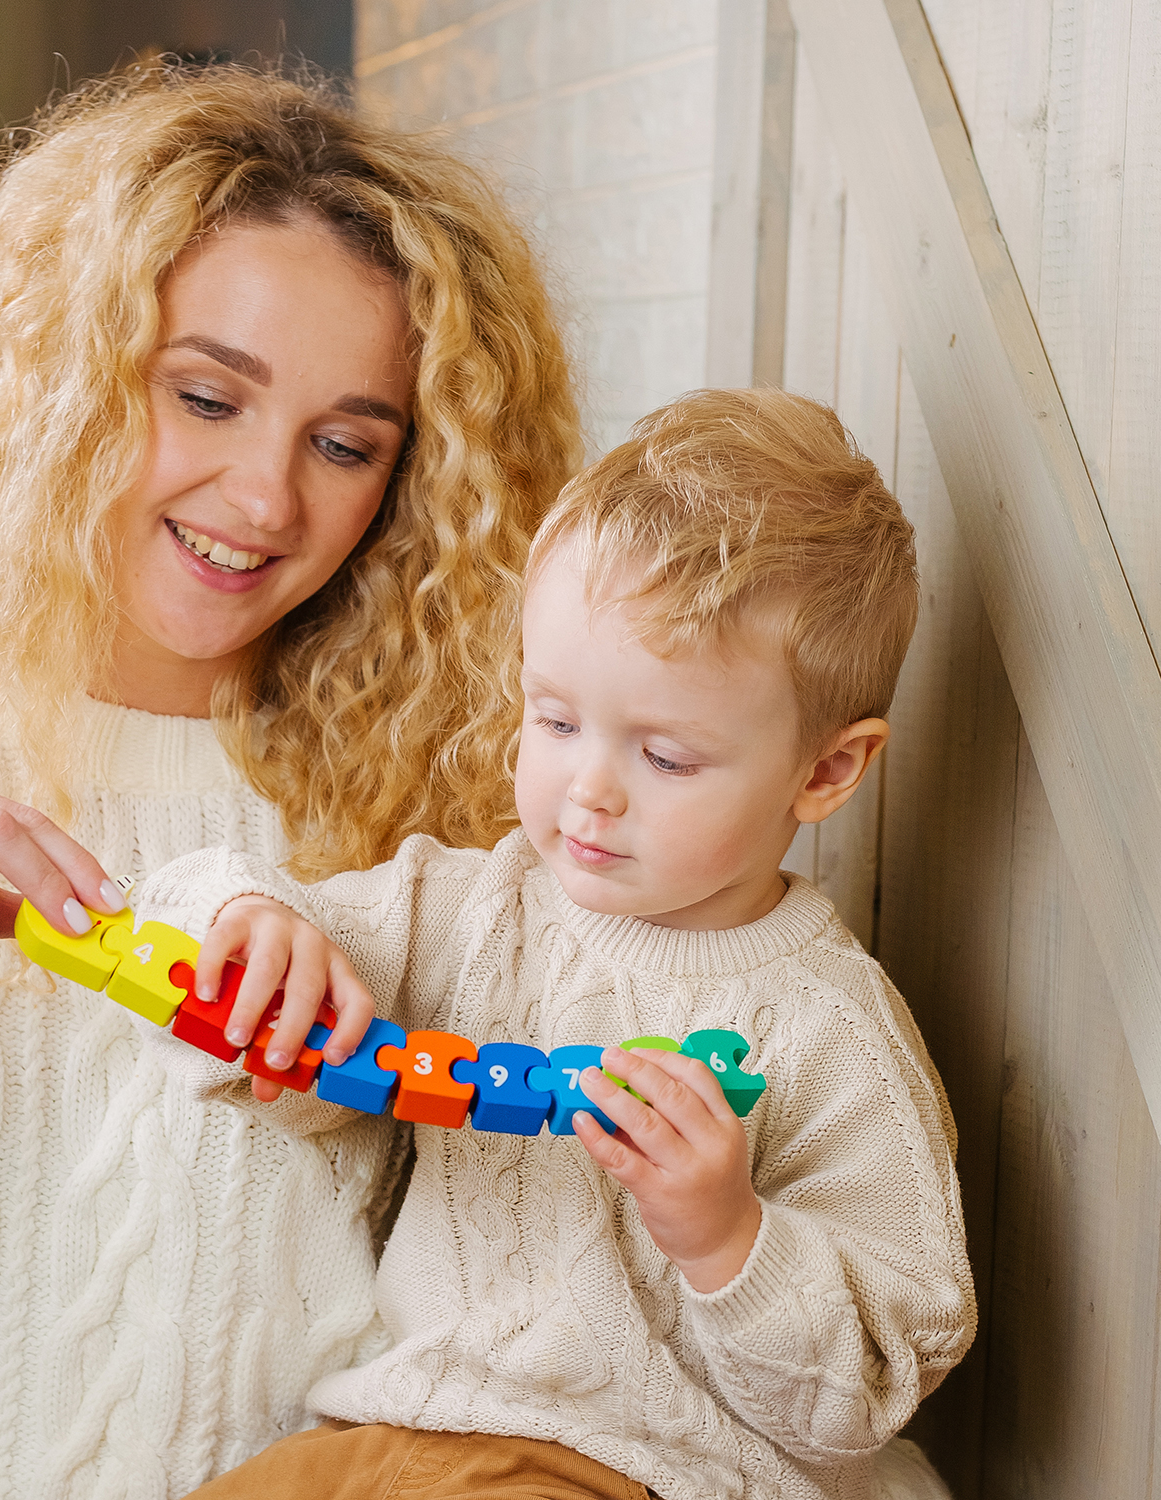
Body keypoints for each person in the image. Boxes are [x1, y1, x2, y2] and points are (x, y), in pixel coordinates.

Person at [0, 65, 581, 1497]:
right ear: (52, 376)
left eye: (345, 443)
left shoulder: (440, 837)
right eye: (207, 396)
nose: (267, 498)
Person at [127, 389, 976, 1500]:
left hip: (635, 1473)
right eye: (556, 719)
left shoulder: (829, 1028)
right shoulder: (478, 907)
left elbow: (875, 1380)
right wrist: (254, 931)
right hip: (387, 1436)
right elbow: (229, 934)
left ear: (824, 772)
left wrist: (730, 1239)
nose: (588, 791)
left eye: (665, 757)